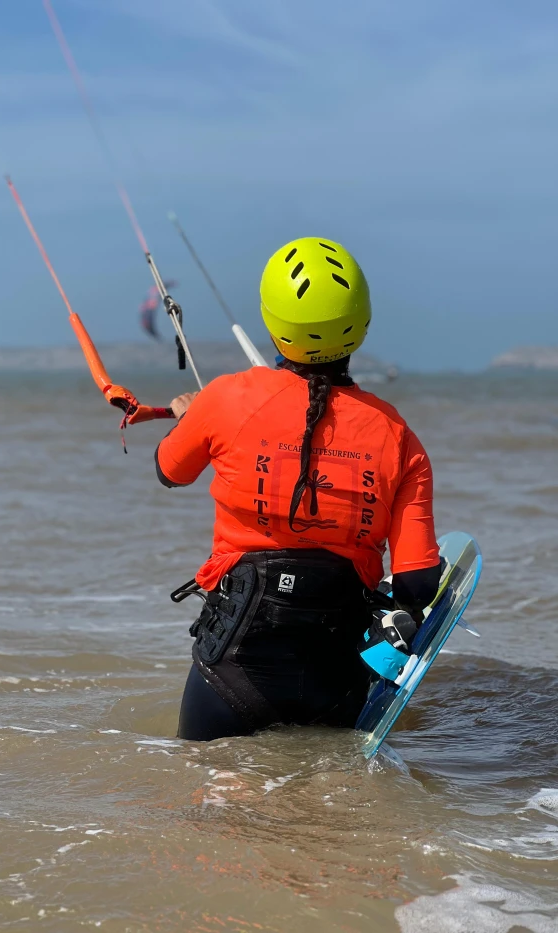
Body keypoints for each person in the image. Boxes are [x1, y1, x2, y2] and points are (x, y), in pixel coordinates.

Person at [155, 237, 441, 741]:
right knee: (326, 791)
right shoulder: (398, 436)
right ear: (362, 322)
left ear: (273, 322)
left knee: (205, 788)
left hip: (233, 671)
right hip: (337, 678)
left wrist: (190, 415)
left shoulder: (224, 399)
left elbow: (169, 469)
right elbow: (417, 585)